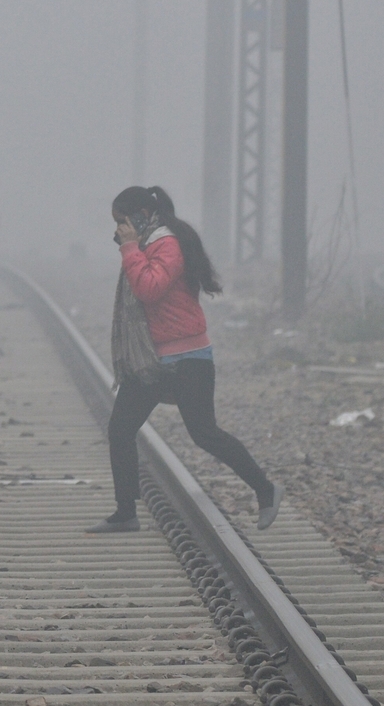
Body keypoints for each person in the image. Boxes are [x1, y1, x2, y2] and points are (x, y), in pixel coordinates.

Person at [87, 186, 282, 534]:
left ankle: (266, 491)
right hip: (151, 358)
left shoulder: (167, 244)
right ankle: (125, 512)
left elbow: (149, 288)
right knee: (120, 429)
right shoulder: (149, 245)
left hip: (189, 358)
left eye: (122, 222)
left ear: (141, 216)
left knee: (204, 434)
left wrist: (130, 249)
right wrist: (133, 248)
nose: (117, 230)